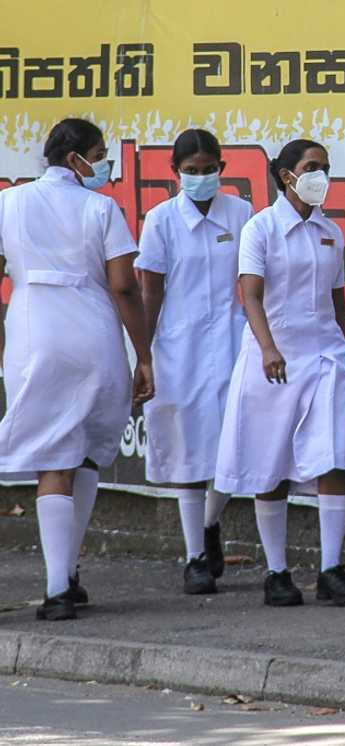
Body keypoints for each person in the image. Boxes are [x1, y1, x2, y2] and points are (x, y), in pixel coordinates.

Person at [0, 118, 154, 620]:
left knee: (54, 457)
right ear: (75, 159)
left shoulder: (10, 202)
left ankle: (59, 582)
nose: (104, 163)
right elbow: (124, 286)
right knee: (83, 451)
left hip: (33, 326)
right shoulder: (101, 207)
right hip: (91, 329)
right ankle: (63, 578)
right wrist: (144, 353)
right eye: (99, 153)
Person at [214, 139, 345, 608]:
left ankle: (332, 569)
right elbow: (251, 295)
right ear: (286, 176)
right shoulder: (260, 228)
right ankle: (278, 572)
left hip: (326, 357)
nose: (321, 175)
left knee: (336, 457)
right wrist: (268, 347)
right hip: (272, 358)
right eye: (311, 167)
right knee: (270, 462)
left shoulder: (331, 232)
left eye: (325, 167)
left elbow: (339, 302)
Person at [136, 129, 253, 595]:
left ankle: (210, 522)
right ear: (175, 173)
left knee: (231, 442)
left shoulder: (241, 213)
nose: (201, 178)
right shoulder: (161, 220)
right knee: (188, 450)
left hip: (230, 337)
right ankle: (195, 557)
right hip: (179, 344)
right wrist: (143, 353)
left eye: (209, 170)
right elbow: (150, 289)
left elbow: (252, 279)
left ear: (221, 167)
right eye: (192, 171)